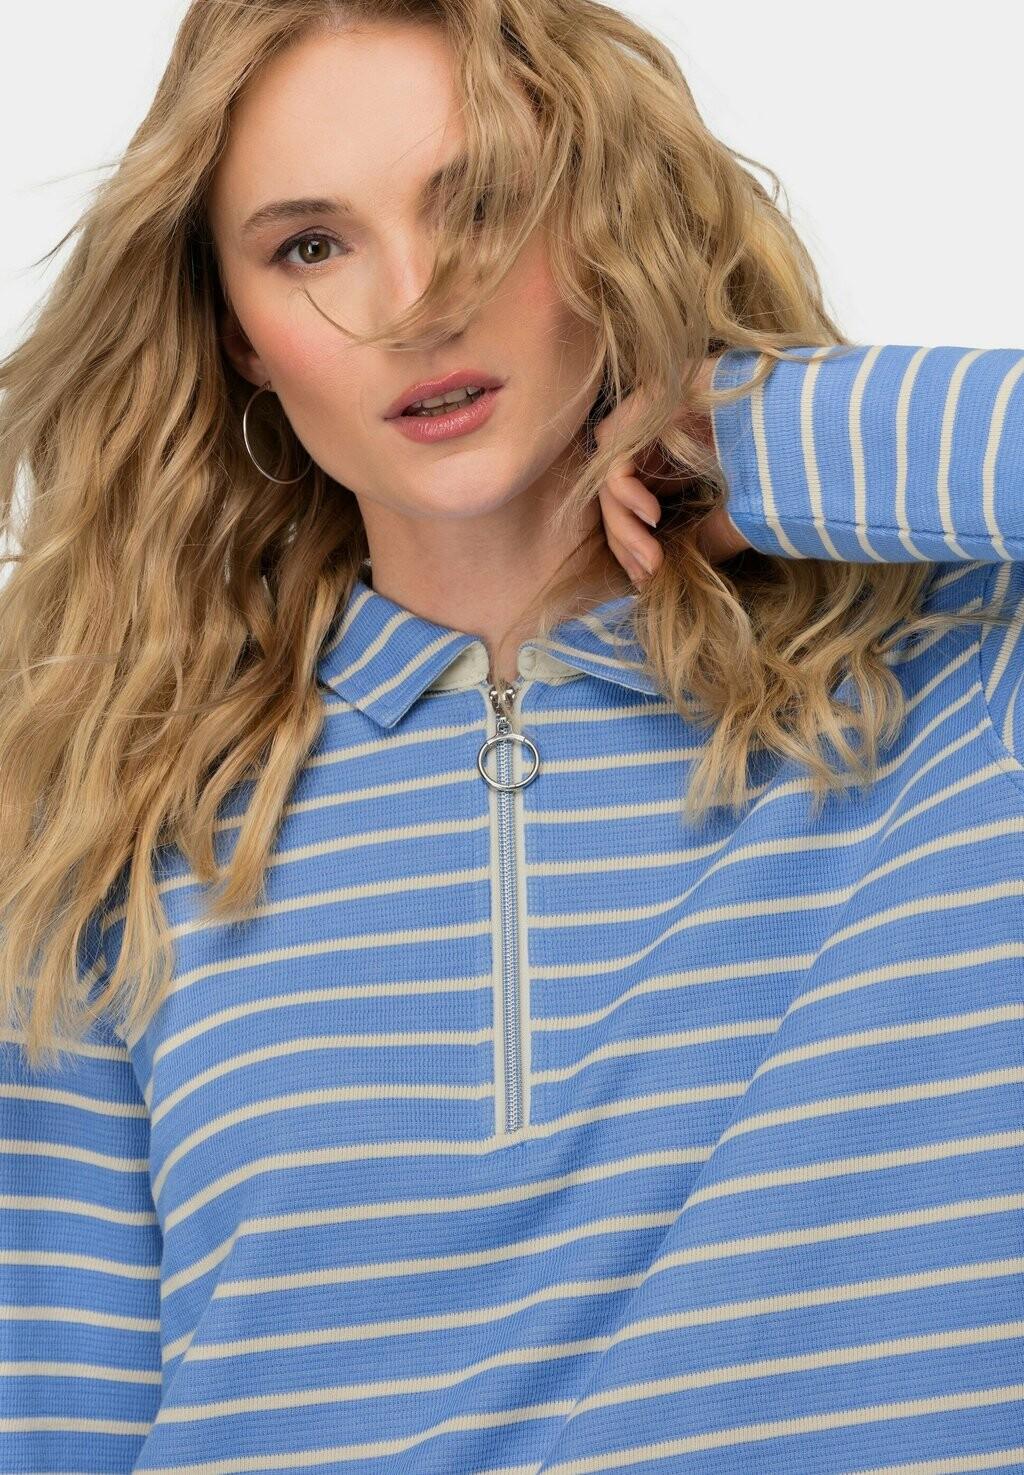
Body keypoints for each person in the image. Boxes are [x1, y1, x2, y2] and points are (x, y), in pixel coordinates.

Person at [1, 2, 1022, 1472]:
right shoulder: (114, 820)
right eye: (312, 246)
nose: (412, 304)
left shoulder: (958, 684)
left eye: (479, 204)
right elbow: (58, 1418)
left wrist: (772, 436)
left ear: (612, 221)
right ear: (239, 336)